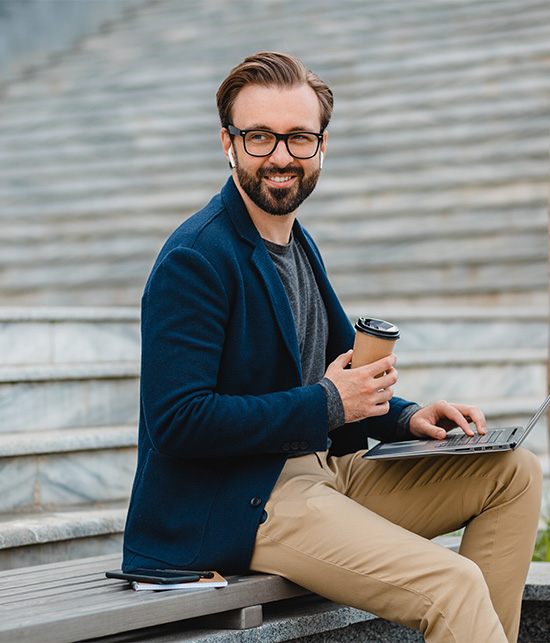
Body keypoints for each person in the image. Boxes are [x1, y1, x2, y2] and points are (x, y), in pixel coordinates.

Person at [122, 52, 542, 642]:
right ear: (229, 143)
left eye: (298, 137)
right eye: (260, 136)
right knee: (453, 582)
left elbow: (337, 374)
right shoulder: (196, 258)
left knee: (513, 472)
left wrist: (409, 416)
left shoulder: (298, 244)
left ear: (321, 146)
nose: (280, 156)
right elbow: (178, 421)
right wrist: (326, 405)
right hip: (245, 500)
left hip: (325, 472)